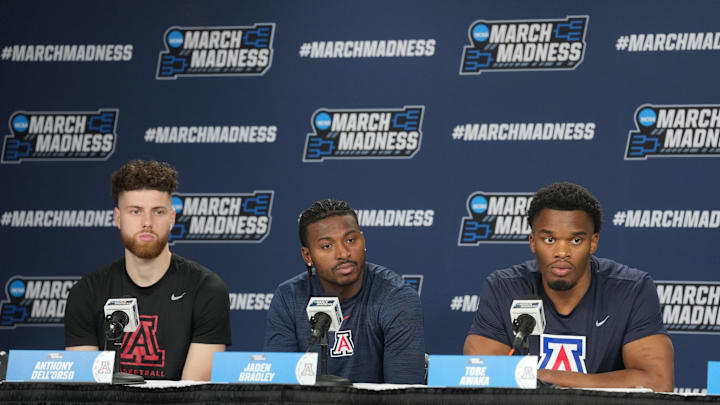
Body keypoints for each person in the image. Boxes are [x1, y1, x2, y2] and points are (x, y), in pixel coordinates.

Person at [463, 182, 674, 392]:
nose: (561, 252)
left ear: (593, 242)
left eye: (575, 240)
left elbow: (657, 382)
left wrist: (543, 378)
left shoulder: (631, 290)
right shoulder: (504, 288)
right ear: (532, 242)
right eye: (549, 239)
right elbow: (478, 375)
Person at [64, 159, 231, 381]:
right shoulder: (86, 293)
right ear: (118, 218)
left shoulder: (206, 290)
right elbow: (85, 390)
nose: (147, 222)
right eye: (135, 211)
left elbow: (194, 395)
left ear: (171, 218)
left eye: (158, 211)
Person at [264, 198, 425, 384]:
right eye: (327, 246)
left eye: (350, 240)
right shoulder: (289, 297)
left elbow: (403, 393)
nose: (343, 253)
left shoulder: (396, 297)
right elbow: (280, 387)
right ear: (308, 256)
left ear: (363, 241)